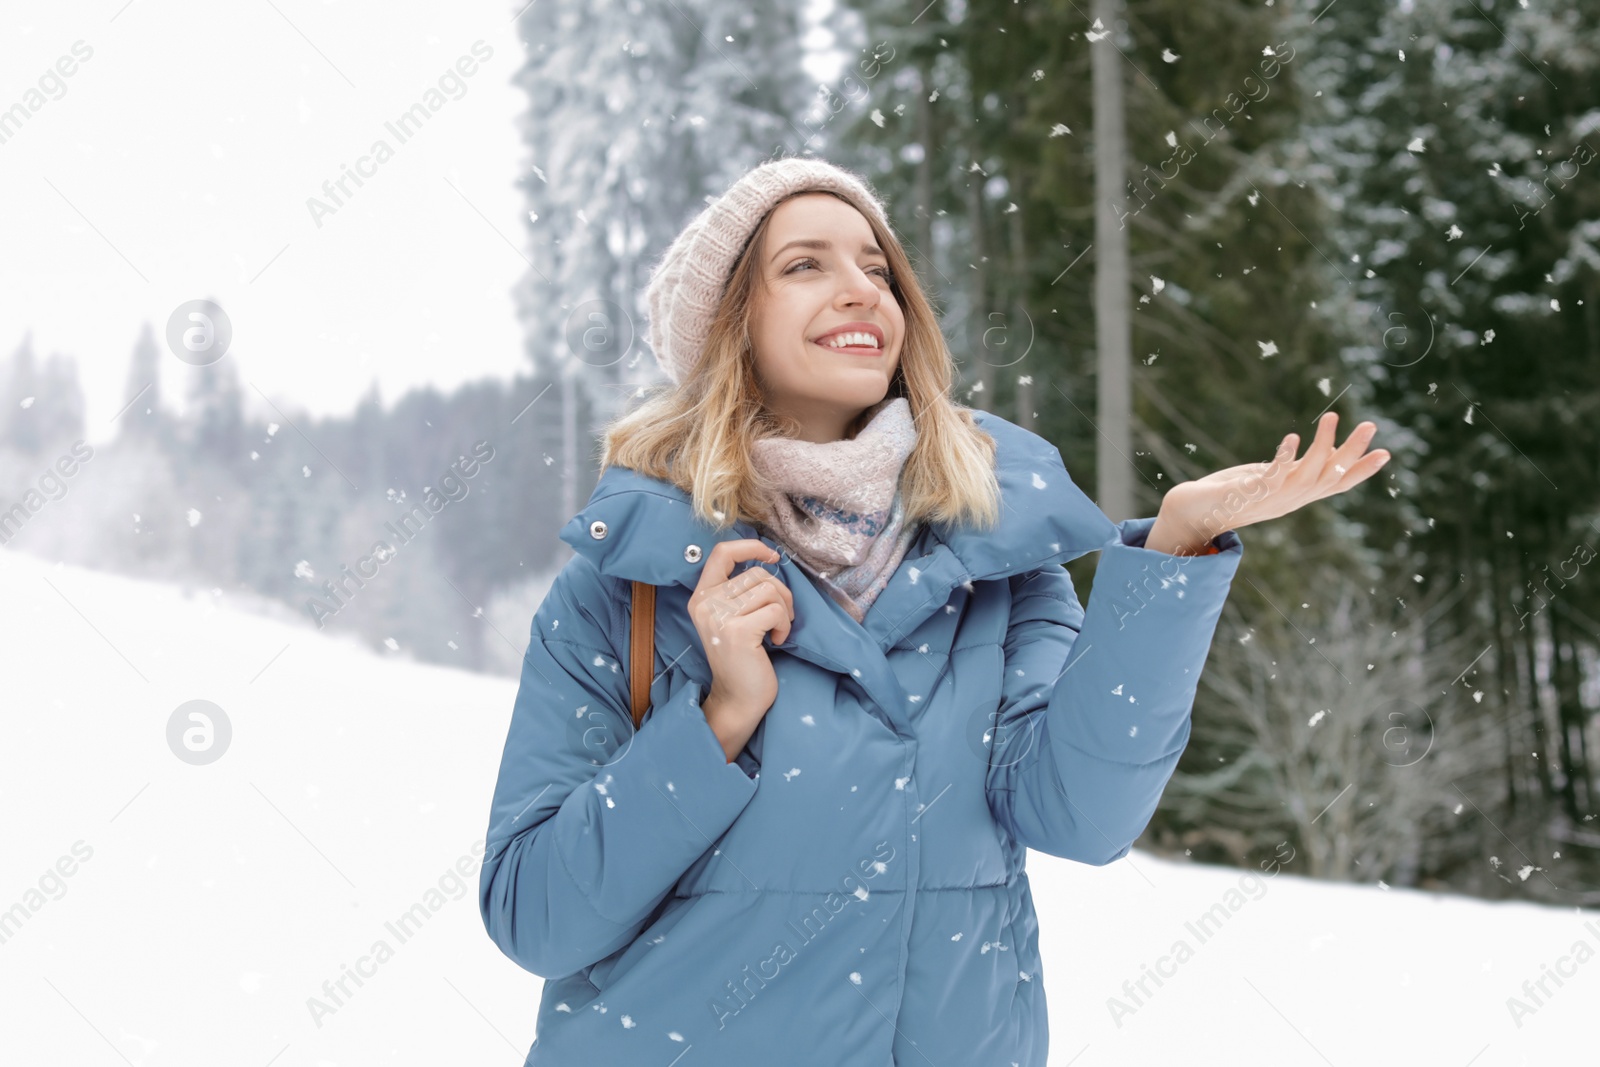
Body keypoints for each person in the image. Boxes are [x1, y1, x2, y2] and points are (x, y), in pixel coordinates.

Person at [477, 157, 1389, 1065]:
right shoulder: (624, 587)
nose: (859, 290)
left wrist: (1177, 547)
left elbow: (1082, 814)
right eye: (805, 266)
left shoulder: (996, 556)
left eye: (878, 270)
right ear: (730, 326)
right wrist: (716, 718)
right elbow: (535, 917)